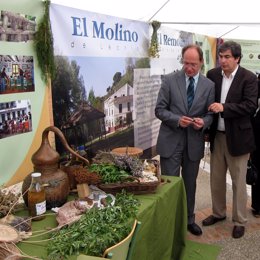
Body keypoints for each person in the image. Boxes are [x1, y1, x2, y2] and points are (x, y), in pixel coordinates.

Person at [155, 44, 215, 236]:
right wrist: (177, 120)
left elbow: (210, 115)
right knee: (170, 184)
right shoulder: (169, 80)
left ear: (201, 63)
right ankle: (169, 222)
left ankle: (189, 220)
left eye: (193, 65)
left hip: (194, 143)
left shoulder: (209, 85)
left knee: (190, 184)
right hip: (171, 141)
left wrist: (203, 122)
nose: (189, 68)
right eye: (186, 63)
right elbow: (159, 110)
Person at [203, 41, 258, 239]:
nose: (223, 60)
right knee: (216, 179)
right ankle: (218, 213)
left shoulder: (249, 78)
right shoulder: (212, 75)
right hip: (217, 136)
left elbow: (250, 106)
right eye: (221, 56)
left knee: (238, 183)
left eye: (227, 57)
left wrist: (224, 107)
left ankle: (239, 220)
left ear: (237, 58)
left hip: (240, 139)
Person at [250, 74, 260, 217]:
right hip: (258, 136)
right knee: (257, 171)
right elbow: (251, 111)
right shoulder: (257, 84)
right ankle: (257, 206)